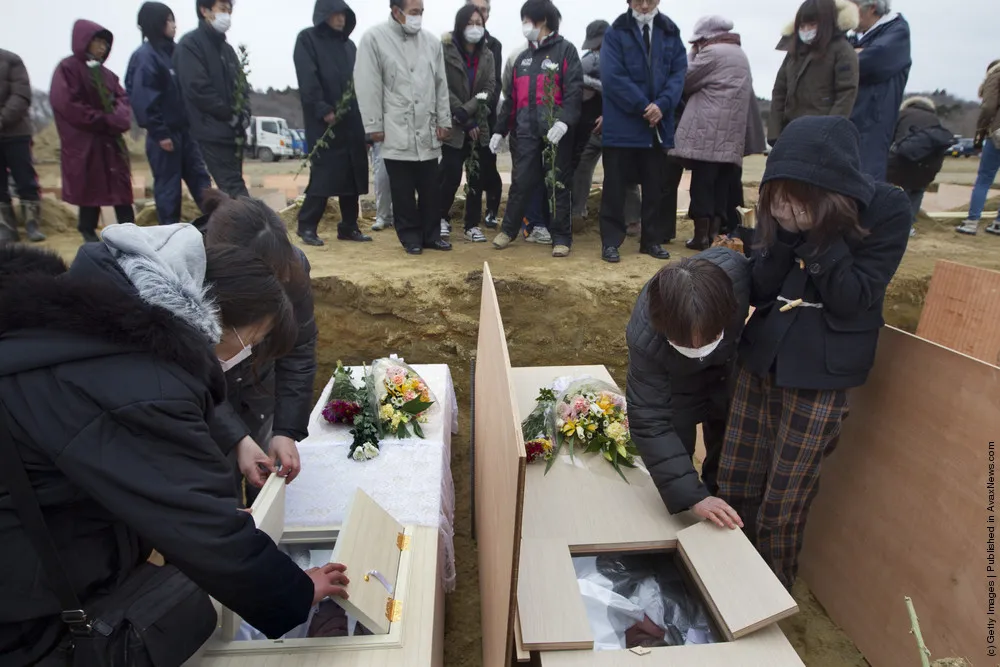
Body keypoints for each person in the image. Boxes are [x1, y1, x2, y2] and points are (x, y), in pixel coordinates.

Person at [0, 230, 350, 664]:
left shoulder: (97, 330)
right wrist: (295, 590)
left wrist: (194, 513)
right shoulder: (138, 379)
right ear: (217, 316)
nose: (248, 353)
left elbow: (115, 468)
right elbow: (197, 524)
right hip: (25, 597)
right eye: (253, 340)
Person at [717, 115, 911, 590]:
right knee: (734, 479)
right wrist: (782, 236)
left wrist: (817, 237)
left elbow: (853, 299)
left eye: (796, 195)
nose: (783, 205)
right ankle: (722, 582)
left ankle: (770, 594)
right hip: (761, 358)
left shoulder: (885, 208)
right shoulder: (778, 214)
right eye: (776, 194)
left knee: (783, 499)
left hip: (820, 376)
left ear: (829, 189)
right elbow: (761, 291)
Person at [194, 191, 318, 503]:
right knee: (217, 500)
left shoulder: (291, 269)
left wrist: (285, 429)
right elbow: (192, 376)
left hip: (259, 391)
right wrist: (235, 438)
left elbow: (298, 350)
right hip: (202, 409)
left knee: (267, 488)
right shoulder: (187, 285)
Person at [626, 247, 750, 529]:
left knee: (728, 450)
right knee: (677, 457)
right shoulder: (645, 339)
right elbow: (650, 420)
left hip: (726, 370)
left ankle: (724, 509)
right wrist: (692, 497)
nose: (698, 349)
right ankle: (694, 520)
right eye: (686, 343)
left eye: (706, 339)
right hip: (675, 387)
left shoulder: (738, 275)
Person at [355, 0, 452, 256]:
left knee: (431, 188)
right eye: (413, 12)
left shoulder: (431, 42)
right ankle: (410, 236)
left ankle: (432, 235)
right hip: (395, 127)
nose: (418, 17)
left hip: (427, 127)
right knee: (403, 190)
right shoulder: (374, 39)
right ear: (396, 12)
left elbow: (441, 84)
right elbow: (368, 84)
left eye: (421, 12)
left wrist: (444, 120)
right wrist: (373, 125)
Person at [490, 0, 582, 258]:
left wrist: (564, 121)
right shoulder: (523, 58)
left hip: (556, 132)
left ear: (543, 21)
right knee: (521, 181)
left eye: (527, 20)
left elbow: (575, 91)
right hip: (526, 130)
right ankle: (508, 231)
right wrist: (501, 129)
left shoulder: (566, 51)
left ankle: (561, 237)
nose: (524, 26)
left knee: (557, 182)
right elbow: (511, 100)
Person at [599, 0, 687, 263]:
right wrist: (643, 105)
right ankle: (611, 242)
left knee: (654, 184)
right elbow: (612, 76)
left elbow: (678, 73)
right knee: (614, 187)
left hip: (656, 126)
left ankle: (651, 240)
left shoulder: (670, 31)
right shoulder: (616, 31)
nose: (645, 5)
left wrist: (661, 105)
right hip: (622, 124)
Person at [670, 16, 753, 252]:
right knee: (721, 184)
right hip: (732, 132)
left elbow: (684, 80)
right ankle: (716, 233)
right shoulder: (740, 54)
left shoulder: (712, 53)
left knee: (702, 185)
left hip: (708, 129)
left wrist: (692, 53)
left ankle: (701, 236)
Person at [126, 2, 213, 226]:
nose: (174, 25)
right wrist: (160, 132)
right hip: (164, 136)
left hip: (187, 132)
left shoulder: (175, 52)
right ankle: (170, 232)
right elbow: (144, 99)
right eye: (169, 20)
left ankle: (215, 225)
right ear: (157, 24)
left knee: (201, 180)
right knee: (168, 189)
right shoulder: (146, 57)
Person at [294, 0, 372, 246]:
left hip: (352, 122)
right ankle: (306, 226)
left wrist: (367, 128)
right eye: (336, 14)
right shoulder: (307, 40)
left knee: (353, 175)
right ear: (324, 15)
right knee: (323, 176)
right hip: (325, 124)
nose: (341, 19)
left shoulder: (350, 46)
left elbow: (361, 84)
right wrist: (323, 108)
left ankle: (348, 226)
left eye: (344, 15)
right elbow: (307, 77)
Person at [51, 20, 135, 244]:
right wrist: (101, 119)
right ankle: (87, 230)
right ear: (83, 41)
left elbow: (122, 101)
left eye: (105, 43)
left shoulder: (108, 75)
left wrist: (117, 118)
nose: (102, 47)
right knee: (90, 188)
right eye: (97, 41)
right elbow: (67, 104)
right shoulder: (67, 70)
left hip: (110, 143)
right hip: (85, 143)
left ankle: (130, 229)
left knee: (119, 188)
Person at [570, 21, 642, 233]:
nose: (597, 51)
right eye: (594, 47)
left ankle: (633, 220)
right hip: (592, 130)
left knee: (625, 173)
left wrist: (609, 116)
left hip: (620, 128)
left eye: (599, 46)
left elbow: (631, 95)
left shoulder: (628, 61)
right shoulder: (586, 62)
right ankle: (576, 214)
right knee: (582, 168)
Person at [175, 0, 251, 199]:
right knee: (234, 187)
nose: (227, 15)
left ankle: (234, 226)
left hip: (232, 132)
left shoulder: (227, 50)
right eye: (222, 9)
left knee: (233, 184)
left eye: (229, 10)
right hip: (210, 129)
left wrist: (244, 114)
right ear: (205, 10)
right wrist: (227, 113)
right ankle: (252, 225)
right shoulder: (190, 45)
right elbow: (197, 88)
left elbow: (242, 87)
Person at [438, 4, 496, 243]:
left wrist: (469, 112)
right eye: (470, 23)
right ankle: (440, 218)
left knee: (476, 177)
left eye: (479, 23)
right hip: (454, 124)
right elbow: (441, 85)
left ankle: (471, 224)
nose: (475, 28)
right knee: (449, 173)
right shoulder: (446, 50)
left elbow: (490, 87)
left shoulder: (488, 55)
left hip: (477, 126)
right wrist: (460, 113)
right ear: (460, 25)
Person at [768, 0, 859, 143]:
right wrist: (774, 133)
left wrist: (829, 131)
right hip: (790, 130)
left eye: (812, 24)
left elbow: (846, 93)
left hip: (821, 132)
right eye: (802, 26)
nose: (806, 30)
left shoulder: (842, 50)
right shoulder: (793, 53)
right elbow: (779, 91)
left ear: (826, 23)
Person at [848, 0, 911, 181]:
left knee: (865, 182)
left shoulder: (897, 31)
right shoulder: (855, 37)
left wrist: (848, 55)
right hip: (848, 123)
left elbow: (868, 62)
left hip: (872, 127)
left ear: (872, 8)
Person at [886, 97, 952, 237]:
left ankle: (885, 224)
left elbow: (887, 138)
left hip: (900, 161)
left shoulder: (901, 115)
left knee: (889, 191)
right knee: (916, 192)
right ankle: (907, 227)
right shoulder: (935, 120)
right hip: (927, 166)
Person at [0, 49, 44, 244]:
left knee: (25, 179)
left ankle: (32, 224)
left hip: (16, 131)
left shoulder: (11, 60)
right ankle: (6, 227)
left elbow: (21, 96)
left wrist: (2, 119)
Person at [467, 0, 504, 229]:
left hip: (484, 115)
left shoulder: (494, 45)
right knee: (451, 169)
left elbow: (495, 83)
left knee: (486, 167)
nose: (481, 14)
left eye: (485, 10)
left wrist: (482, 111)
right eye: (476, 8)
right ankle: (443, 216)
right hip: (459, 116)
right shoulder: (451, 43)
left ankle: (491, 211)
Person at [957, 60, 1000, 236]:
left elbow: (989, 107)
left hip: (997, 135)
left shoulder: (996, 76)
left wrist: (980, 135)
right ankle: (998, 224)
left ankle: (972, 222)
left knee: (984, 179)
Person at [369, 137, 394, 231]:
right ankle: (383, 217)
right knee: (382, 180)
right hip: (382, 139)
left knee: (404, 181)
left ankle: (400, 217)